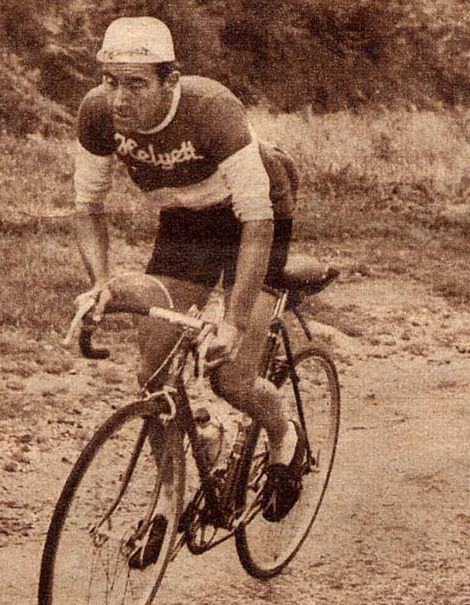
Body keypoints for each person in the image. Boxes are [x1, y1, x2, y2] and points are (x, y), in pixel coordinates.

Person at [73, 16, 303, 537]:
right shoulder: (97, 113)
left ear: (170, 80)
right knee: (153, 371)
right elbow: (87, 208)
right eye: (110, 81)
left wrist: (234, 322)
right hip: (186, 220)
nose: (119, 99)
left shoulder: (211, 108)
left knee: (231, 377)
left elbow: (257, 221)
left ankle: (284, 436)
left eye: (136, 84)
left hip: (257, 215)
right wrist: (101, 284)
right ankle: (170, 495)